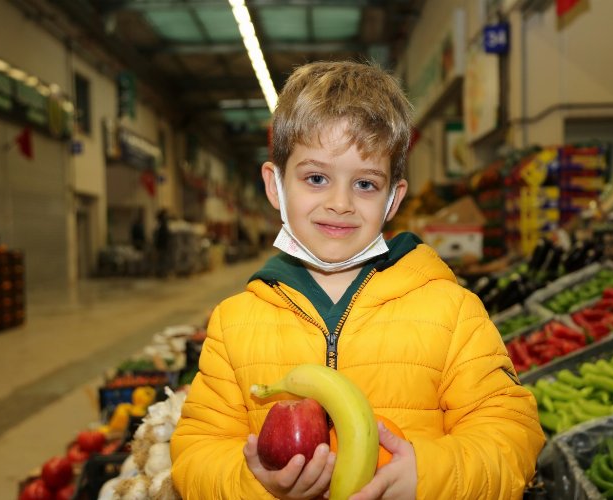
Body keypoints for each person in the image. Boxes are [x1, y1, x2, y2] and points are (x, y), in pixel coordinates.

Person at [170, 61, 545, 499]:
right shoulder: (233, 325)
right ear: (275, 186)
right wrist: (255, 486)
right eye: (316, 178)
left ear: (392, 199)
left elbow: (511, 433)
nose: (340, 203)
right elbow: (196, 451)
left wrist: (428, 478)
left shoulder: (452, 312)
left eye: (365, 184)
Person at [154, 208, 171, 277]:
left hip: (162, 245)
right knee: (162, 259)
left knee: (162, 259)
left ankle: (161, 272)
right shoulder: (163, 225)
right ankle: (162, 272)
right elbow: (163, 236)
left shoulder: (161, 225)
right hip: (162, 245)